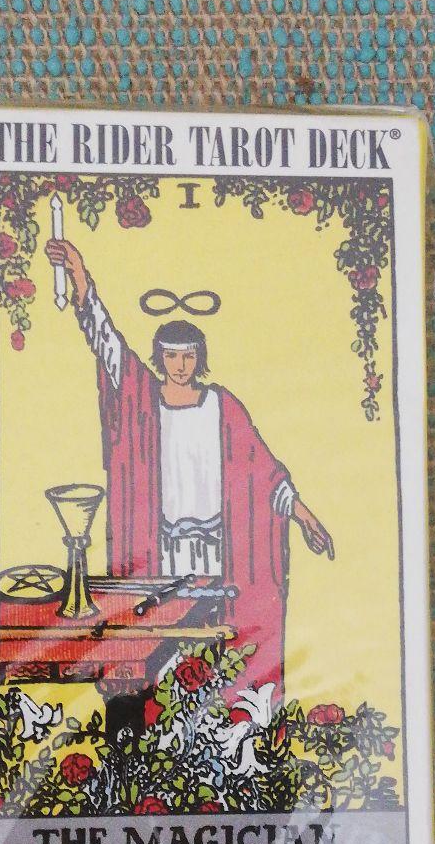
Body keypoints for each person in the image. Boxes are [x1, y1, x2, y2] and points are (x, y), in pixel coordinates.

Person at [45, 237, 333, 690]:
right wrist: (80, 278)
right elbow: (107, 343)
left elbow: (265, 474)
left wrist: (304, 516)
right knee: (165, 655)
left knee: (220, 657)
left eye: (188, 355)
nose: (180, 365)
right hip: (163, 555)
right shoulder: (143, 400)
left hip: (220, 555)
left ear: (200, 358)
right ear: (159, 358)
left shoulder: (222, 407)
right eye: (171, 355)